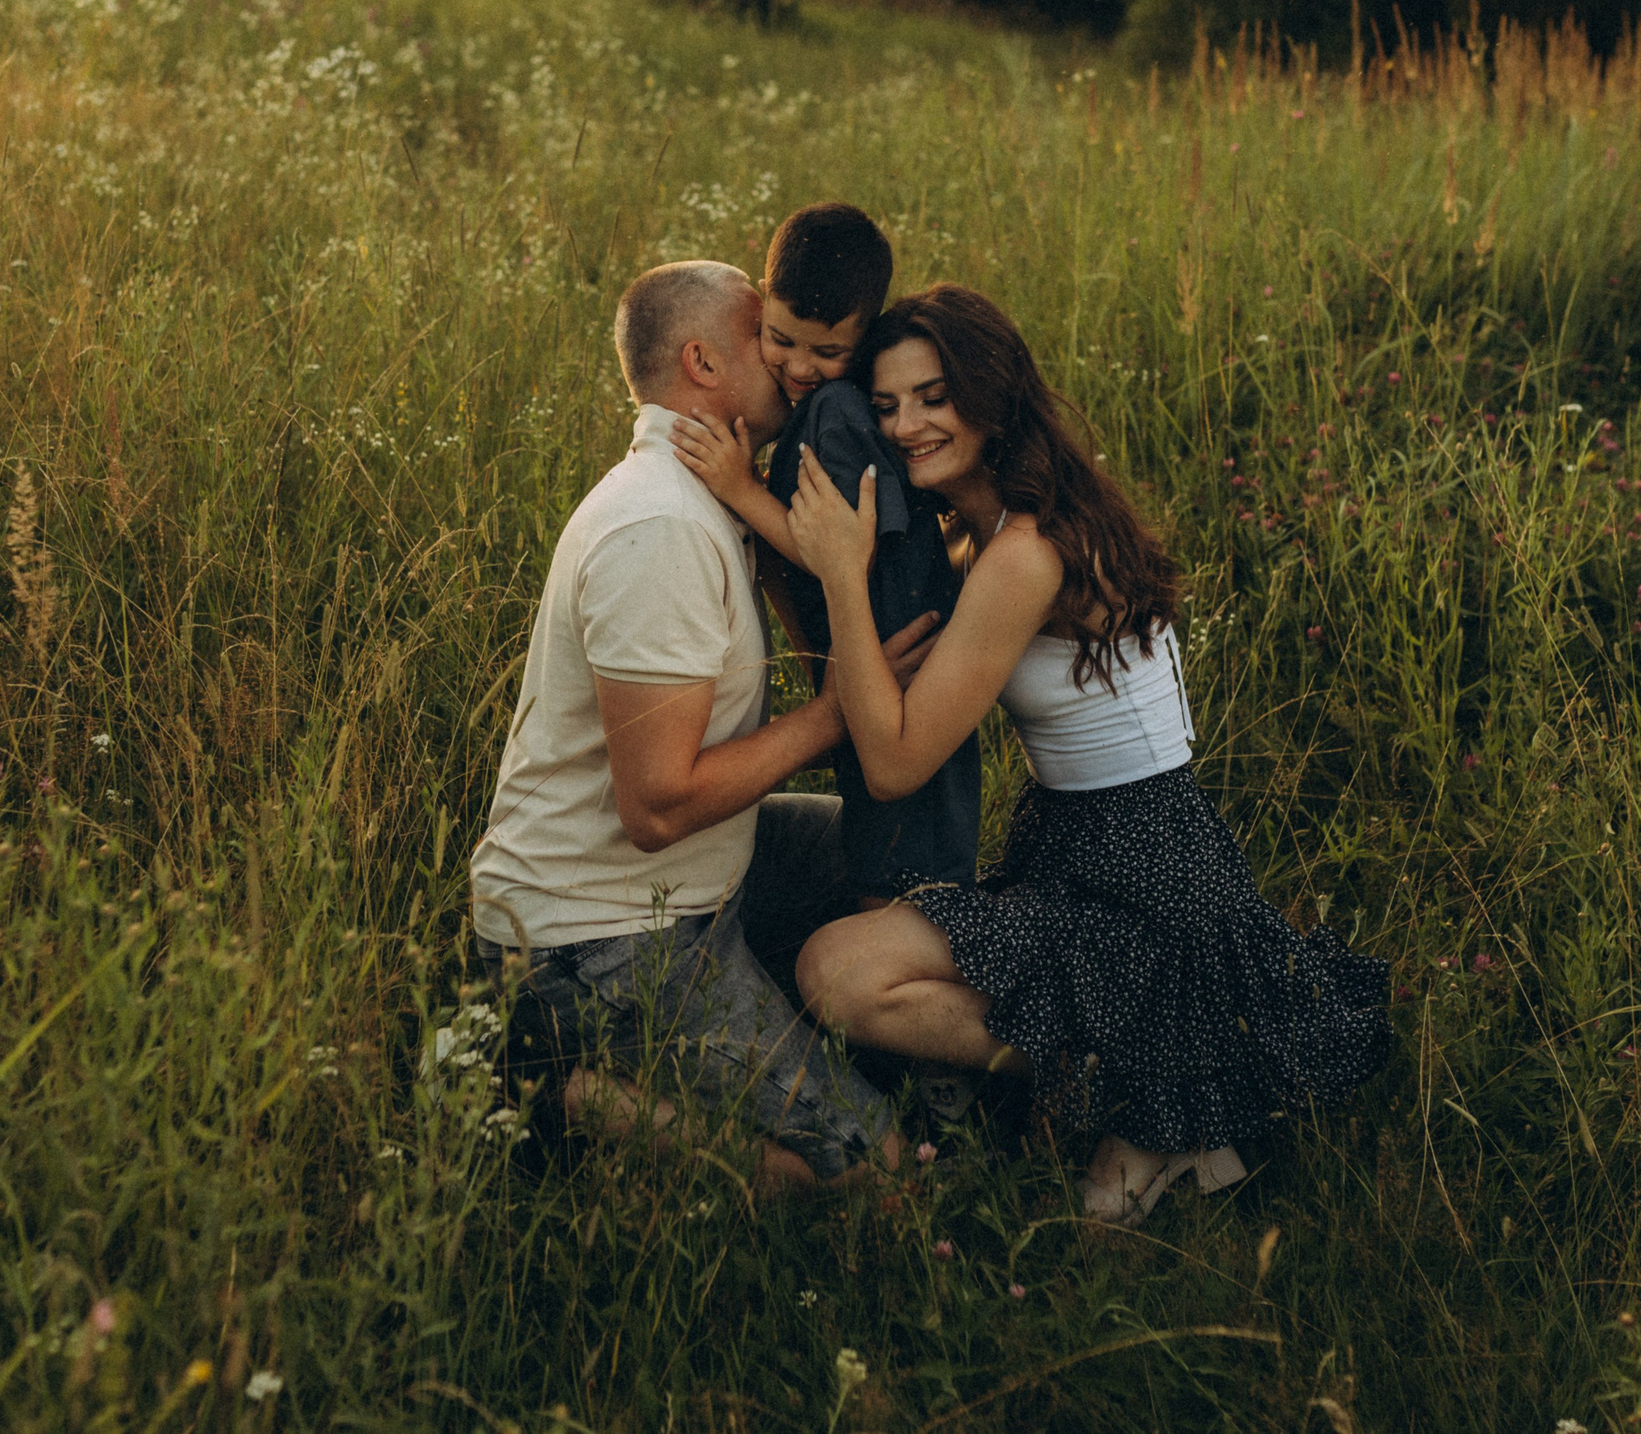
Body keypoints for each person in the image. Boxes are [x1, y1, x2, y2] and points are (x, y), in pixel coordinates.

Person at [785, 284, 1391, 1222]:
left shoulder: (1024, 554)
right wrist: (755, 501)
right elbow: (876, 689)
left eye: (935, 396)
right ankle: (1150, 1077)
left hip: (1149, 873)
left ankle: (1157, 1075)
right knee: (850, 959)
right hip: (1081, 847)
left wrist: (837, 568)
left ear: (992, 394)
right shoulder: (996, 530)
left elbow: (894, 762)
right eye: (888, 404)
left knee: (838, 971)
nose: (907, 425)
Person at [465, 259, 933, 1191]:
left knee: (895, 854)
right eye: (765, 340)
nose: (793, 365)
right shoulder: (660, 528)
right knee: (872, 1171)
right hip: (595, 941)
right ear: (703, 362)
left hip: (701, 879)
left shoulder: (707, 499)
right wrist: (838, 716)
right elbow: (659, 805)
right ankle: (557, 1089)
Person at [670, 203, 982, 907]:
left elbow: (835, 553)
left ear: (865, 339)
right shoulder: (825, 408)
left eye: (829, 351)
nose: (801, 366)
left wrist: (739, 488)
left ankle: (913, 991)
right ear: (761, 303)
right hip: (876, 670)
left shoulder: (838, 413)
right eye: (781, 339)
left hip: (900, 676)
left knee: (904, 874)